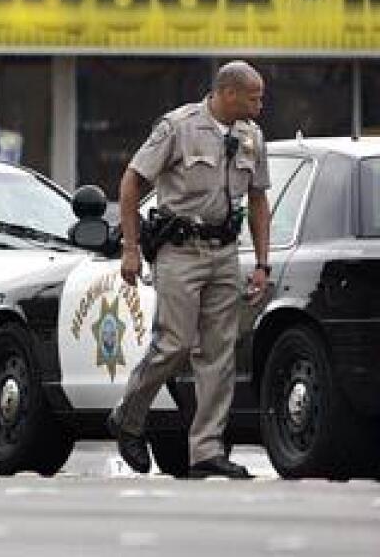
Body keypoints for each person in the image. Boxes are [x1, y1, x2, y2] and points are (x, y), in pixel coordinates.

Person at [107, 60, 271, 480]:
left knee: (219, 355)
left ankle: (206, 452)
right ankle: (128, 417)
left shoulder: (251, 137)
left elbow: (257, 202)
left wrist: (262, 264)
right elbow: (131, 182)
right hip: (179, 251)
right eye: (255, 97)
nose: (261, 105)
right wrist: (130, 248)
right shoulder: (177, 127)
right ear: (229, 93)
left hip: (224, 252)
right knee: (174, 344)